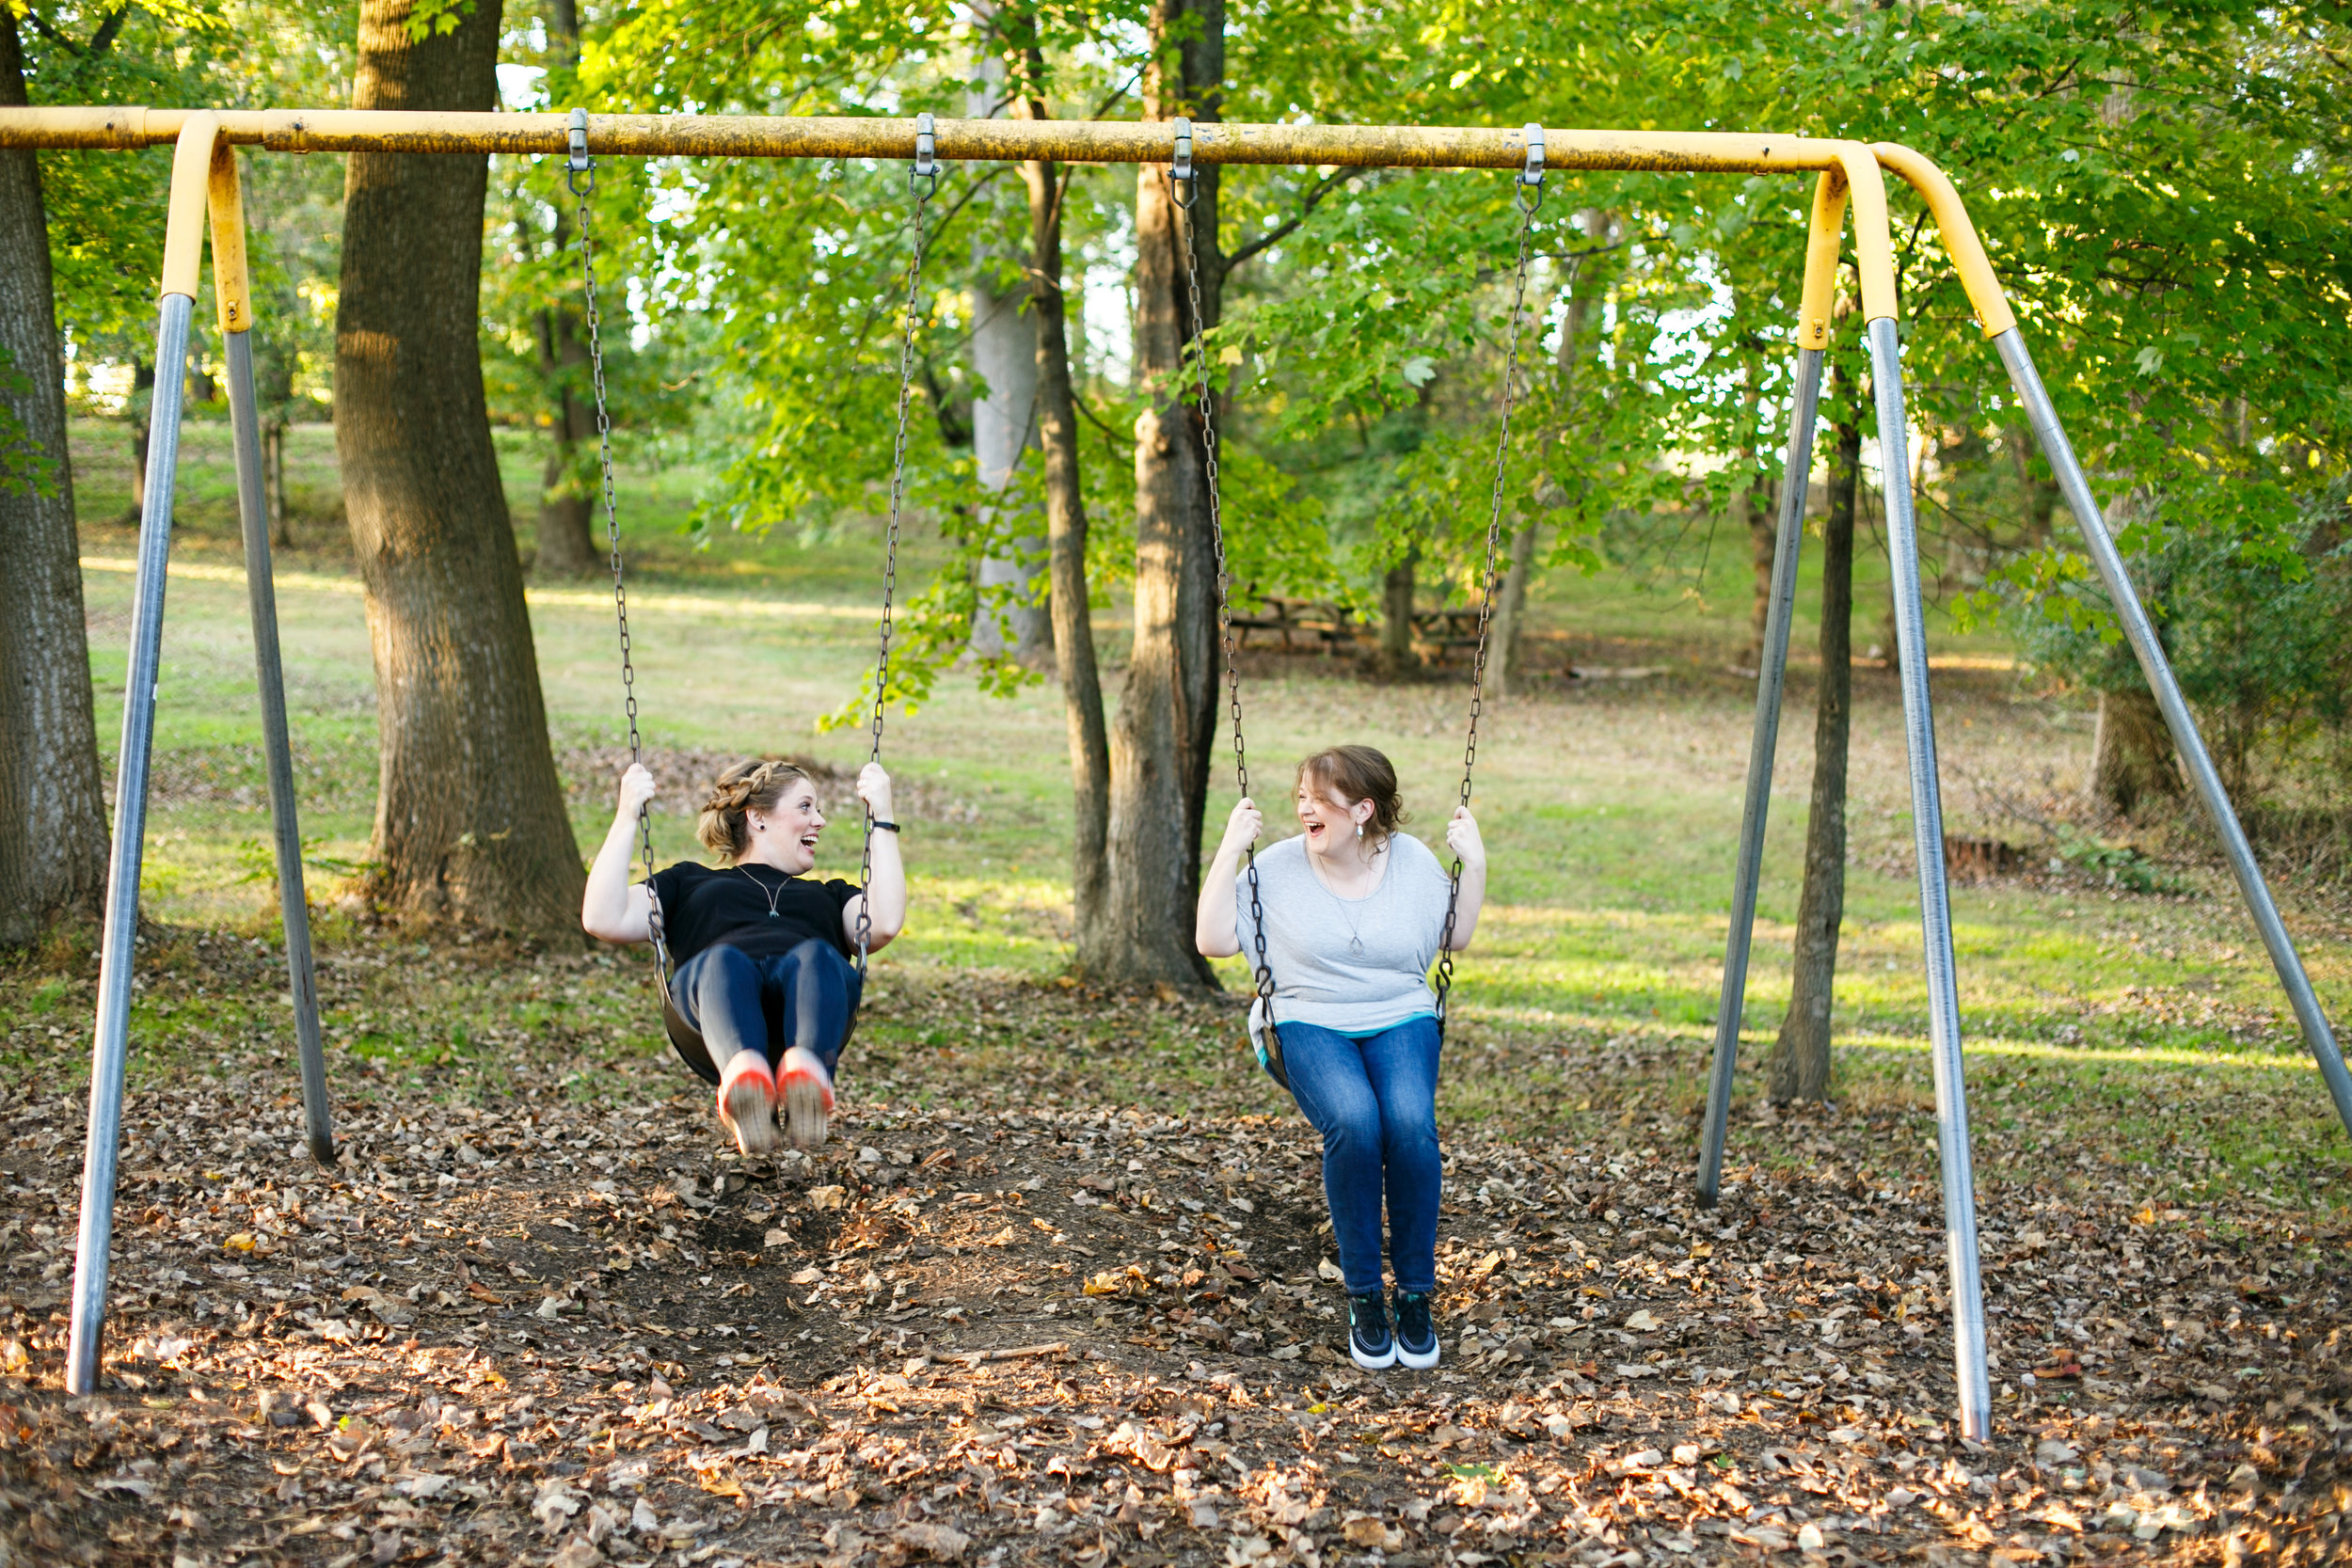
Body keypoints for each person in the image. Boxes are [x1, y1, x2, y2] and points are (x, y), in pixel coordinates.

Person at [1196, 744, 1486, 1371]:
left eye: (1320, 798)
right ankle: (1364, 1296)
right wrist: (1229, 845)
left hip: (1400, 1012)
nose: (1304, 807)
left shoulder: (1410, 861)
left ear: (1362, 809)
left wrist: (1476, 863)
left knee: (1409, 1126)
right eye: (1300, 795)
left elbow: (1451, 935)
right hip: (1306, 1017)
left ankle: (1413, 1293)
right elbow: (1213, 940)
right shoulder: (1273, 868)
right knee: (1355, 1123)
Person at [583, 758, 906, 1156]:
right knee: (724, 962)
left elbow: (885, 923)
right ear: (758, 818)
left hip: (805, 1006)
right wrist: (627, 814)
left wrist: (884, 817)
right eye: (806, 807)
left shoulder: (830, 894)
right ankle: (744, 1080)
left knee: (817, 956)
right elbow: (602, 917)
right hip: (714, 999)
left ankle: (805, 1074)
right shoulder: (688, 883)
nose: (819, 820)